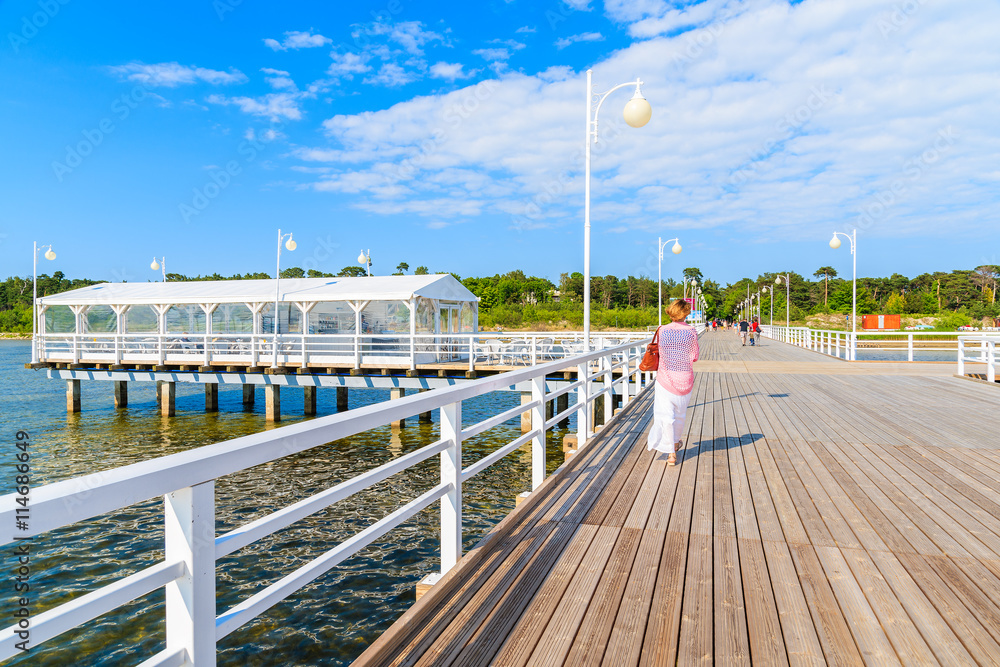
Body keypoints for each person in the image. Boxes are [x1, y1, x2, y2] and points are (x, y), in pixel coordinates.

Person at [646, 299, 699, 466]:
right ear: (686, 313)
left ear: (671, 312)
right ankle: (675, 443)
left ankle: (671, 454)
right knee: (680, 415)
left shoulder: (662, 330)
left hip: (665, 379)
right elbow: (695, 356)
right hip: (684, 379)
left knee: (666, 416)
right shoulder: (691, 331)